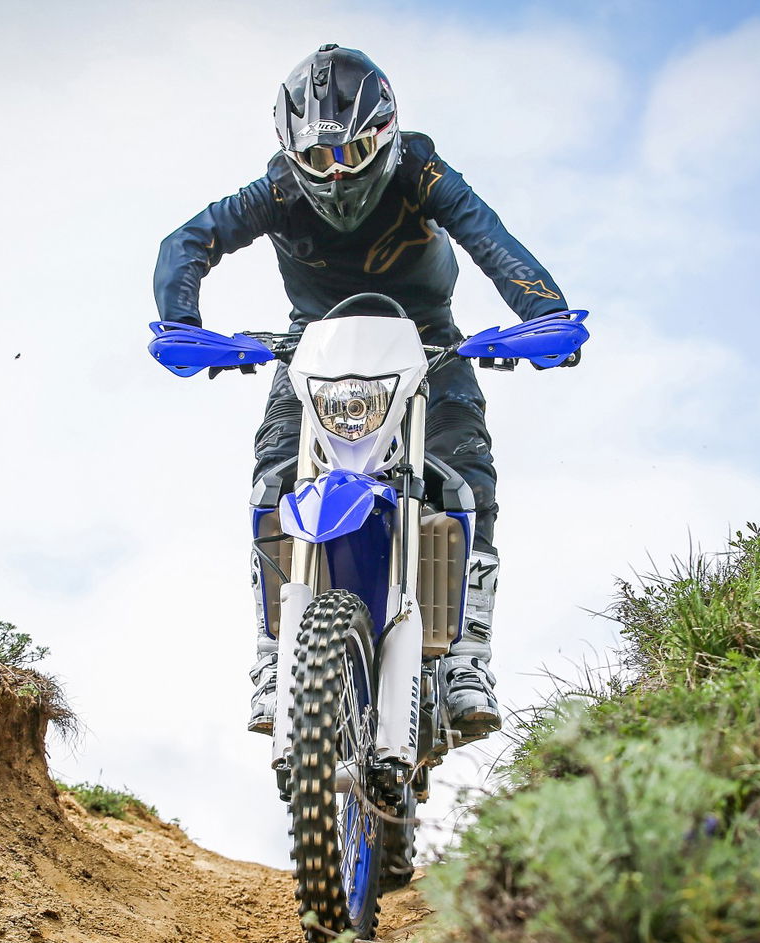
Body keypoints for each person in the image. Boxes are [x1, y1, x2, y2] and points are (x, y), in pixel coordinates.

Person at [153, 44, 572, 743]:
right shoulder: (277, 192)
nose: (336, 172)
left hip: (428, 342)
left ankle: (466, 656)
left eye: (351, 153)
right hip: (313, 345)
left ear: (385, 135)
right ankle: (272, 655)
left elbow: (490, 239)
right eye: (318, 159)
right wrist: (181, 325)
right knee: (274, 478)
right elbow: (188, 241)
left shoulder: (420, 171)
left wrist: (545, 314)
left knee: (467, 476)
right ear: (293, 155)